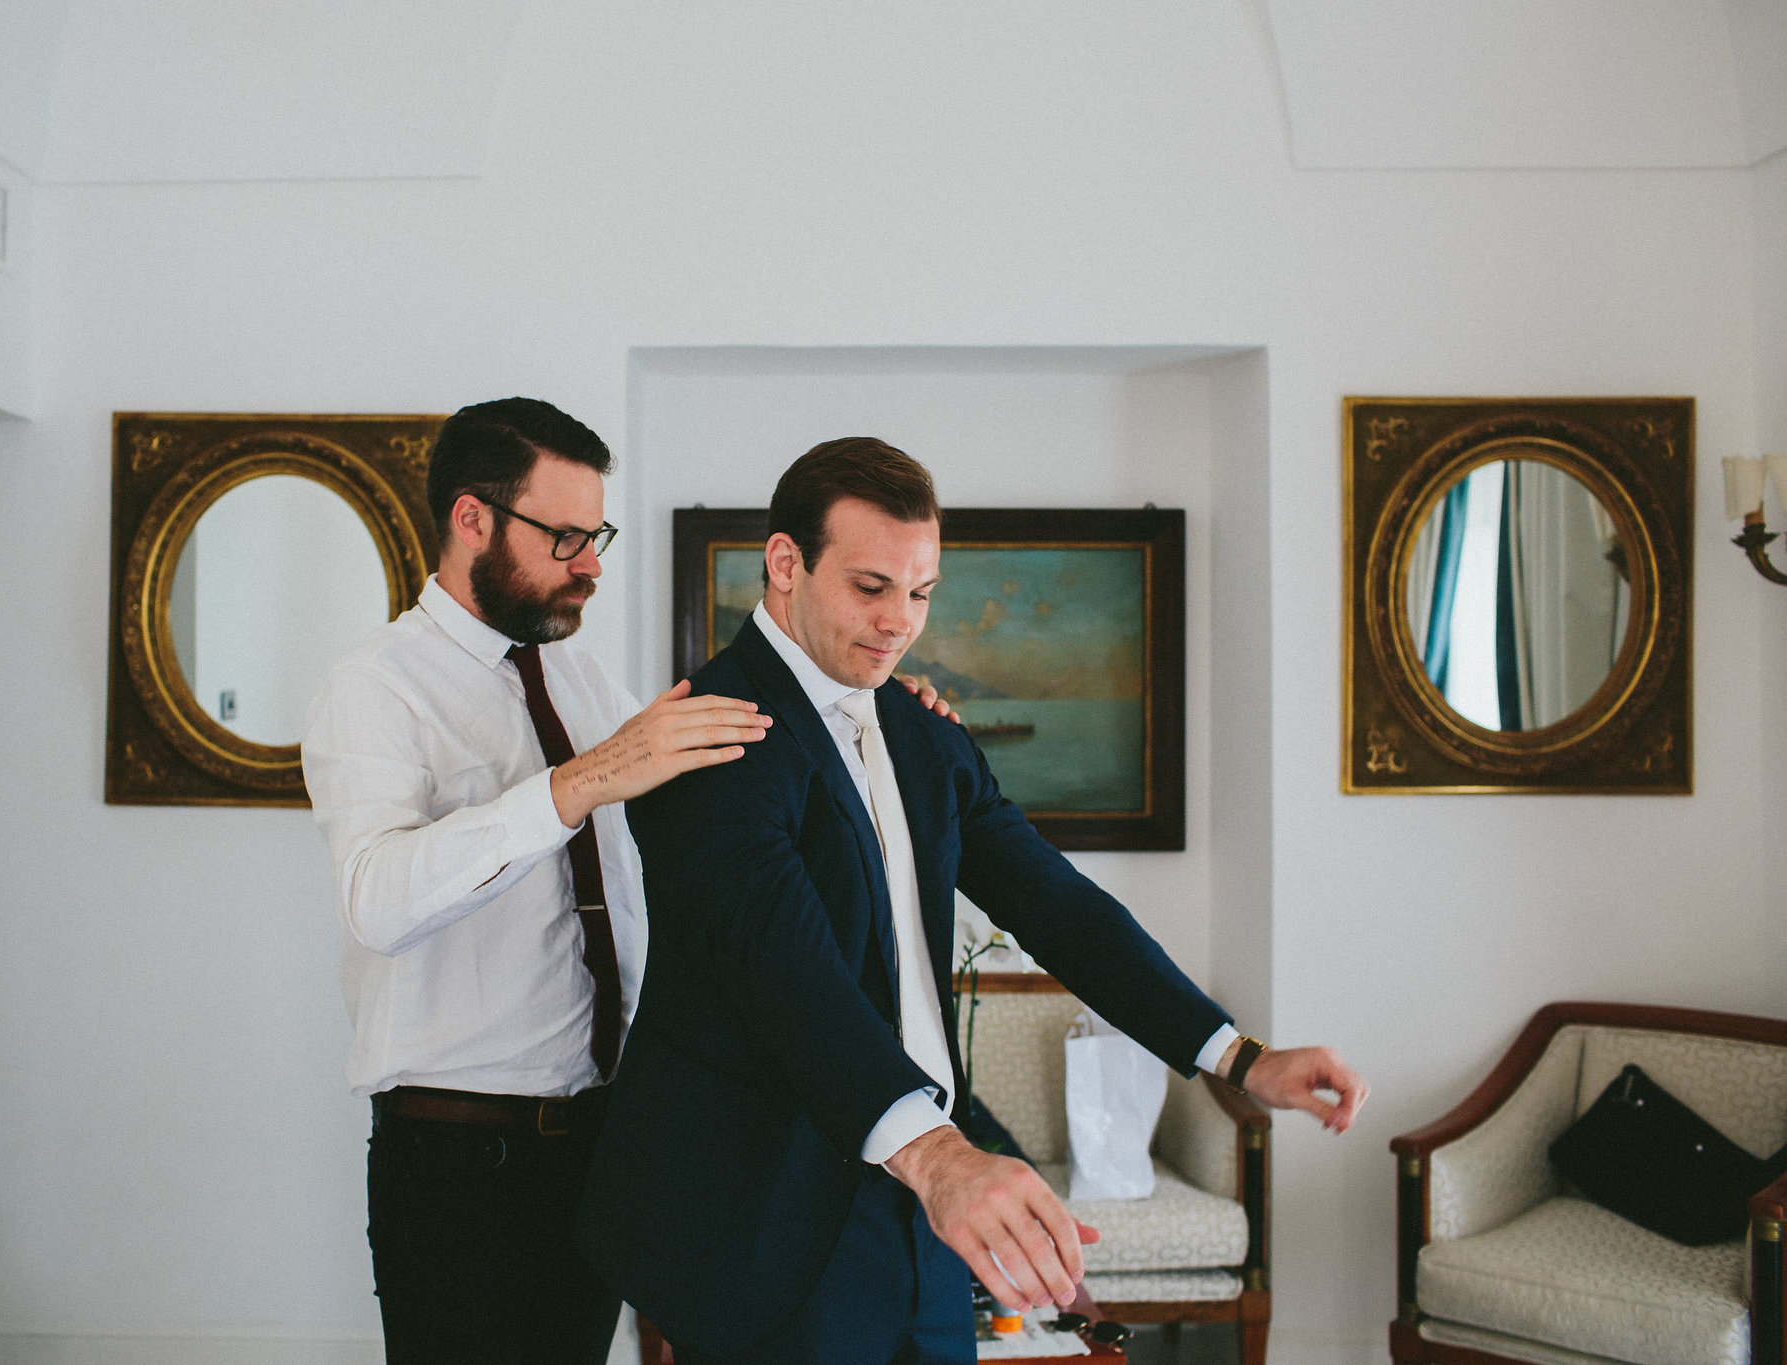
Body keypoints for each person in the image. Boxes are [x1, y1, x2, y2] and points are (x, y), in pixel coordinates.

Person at [577, 437, 1369, 1365]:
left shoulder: (924, 734)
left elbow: (1057, 904)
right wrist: (945, 1158)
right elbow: (787, 972)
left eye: (920, 593)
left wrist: (1237, 1056)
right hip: (768, 1212)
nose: (899, 622)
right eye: (871, 587)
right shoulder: (708, 734)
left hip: (915, 1208)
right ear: (786, 563)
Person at [301, 401, 955, 1364]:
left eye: (595, 535)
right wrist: (575, 785)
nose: (593, 566)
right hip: (460, 1163)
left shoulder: (582, 681)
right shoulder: (376, 687)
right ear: (472, 520)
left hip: (608, 1143)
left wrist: (873, 714)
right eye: (564, 537)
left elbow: (738, 777)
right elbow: (378, 899)